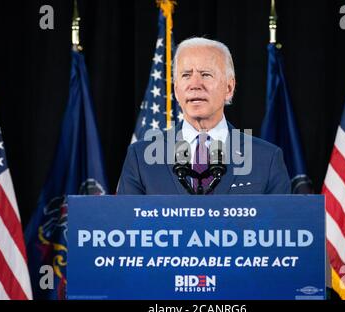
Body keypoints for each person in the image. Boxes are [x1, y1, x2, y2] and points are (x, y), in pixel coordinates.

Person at [117, 37, 290, 195]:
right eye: (186, 75)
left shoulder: (267, 159)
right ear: (176, 90)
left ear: (229, 88)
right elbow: (128, 225)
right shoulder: (140, 158)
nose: (195, 84)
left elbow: (279, 226)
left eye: (206, 74)